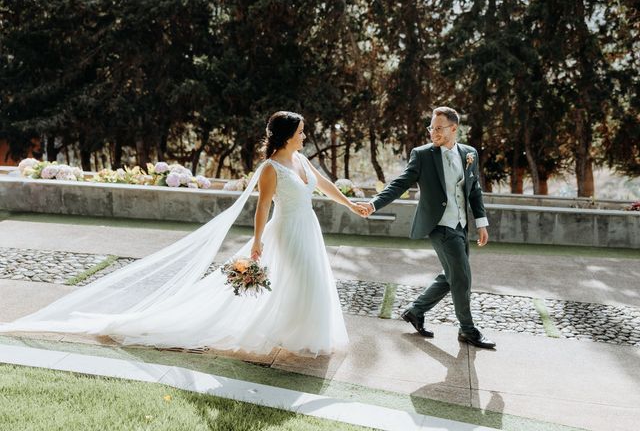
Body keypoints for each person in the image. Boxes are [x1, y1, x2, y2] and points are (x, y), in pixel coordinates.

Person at [0, 111, 368, 357]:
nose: (306, 136)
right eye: (302, 132)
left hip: (309, 229)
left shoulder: (301, 161)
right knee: (299, 277)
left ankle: (300, 332)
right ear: (288, 136)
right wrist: (257, 242)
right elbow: (262, 208)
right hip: (287, 231)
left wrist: (352, 205)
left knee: (311, 280)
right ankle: (288, 330)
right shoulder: (271, 168)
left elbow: (324, 185)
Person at [361, 106, 495, 349]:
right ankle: (468, 330)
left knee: (451, 275)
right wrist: (373, 204)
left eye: (438, 128)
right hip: (440, 225)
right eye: (431, 127)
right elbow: (400, 184)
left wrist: (481, 223)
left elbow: (474, 190)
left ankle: (416, 310)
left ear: (454, 128)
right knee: (462, 278)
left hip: (461, 225)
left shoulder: (469, 153)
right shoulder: (422, 155)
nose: (433, 132)